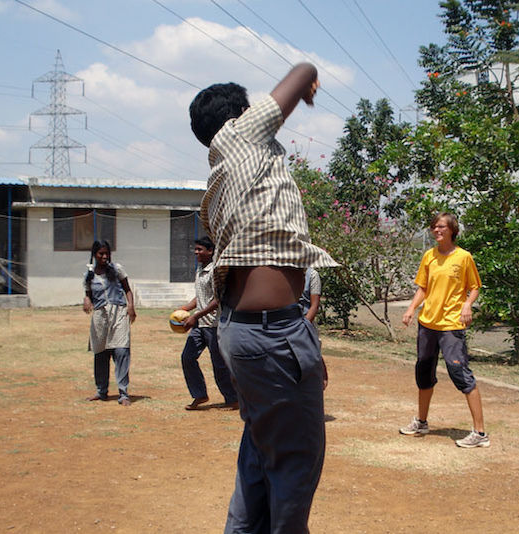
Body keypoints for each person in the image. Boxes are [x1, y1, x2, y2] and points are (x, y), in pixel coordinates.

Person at [189, 62, 338, 534]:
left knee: (260, 446)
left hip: (244, 332)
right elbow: (302, 71)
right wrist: (310, 82)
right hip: (274, 332)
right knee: (296, 458)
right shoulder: (240, 137)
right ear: (240, 115)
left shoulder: (219, 180)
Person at [400, 212, 488, 448]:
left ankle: (480, 434)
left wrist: (467, 305)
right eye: (434, 227)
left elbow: (474, 287)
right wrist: (411, 309)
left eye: (441, 227)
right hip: (427, 323)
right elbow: (423, 288)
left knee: (460, 374)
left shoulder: (463, 257)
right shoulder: (429, 256)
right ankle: (421, 421)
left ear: (452, 230)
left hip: (451, 326)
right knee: (423, 373)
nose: (436, 230)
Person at [174, 236, 238, 411]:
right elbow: (201, 296)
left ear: (210, 251)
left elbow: (217, 300)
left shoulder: (215, 271)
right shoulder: (200, 269)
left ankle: (233, 398)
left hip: (214, 325)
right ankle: (199, 394)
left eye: (200, 249)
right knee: (187, 357)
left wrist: (196, 315)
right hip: (200, 324)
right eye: (195, 249)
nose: (196, 252)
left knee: (219, 364)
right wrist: (186, 308)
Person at [82, 240, 136, 406]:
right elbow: (88, 294)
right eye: (101, 254)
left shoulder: (116, 269)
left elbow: (127, 289)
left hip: (118, 313)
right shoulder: (89, 275)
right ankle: (101, 391)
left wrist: (131, 306)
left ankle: (123, 392)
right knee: (101, 354)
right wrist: (86, 300)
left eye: (107, 253)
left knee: (121, 351)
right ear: (95, 254)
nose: (104, 257)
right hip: (100, 317)